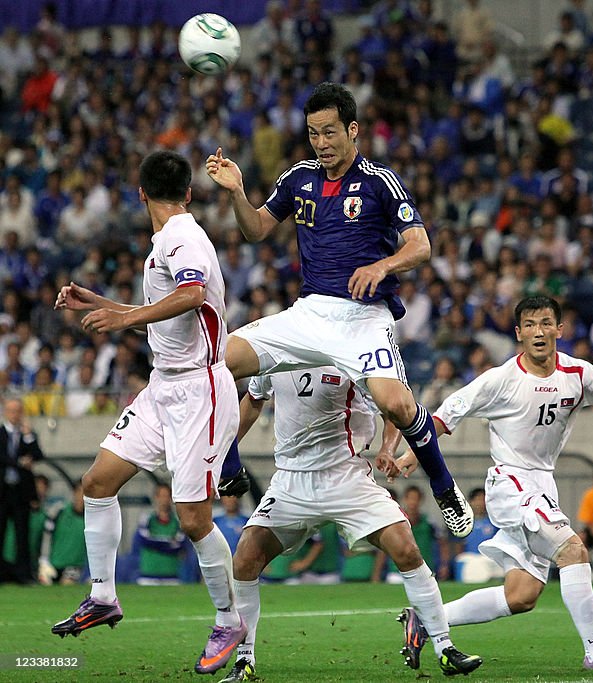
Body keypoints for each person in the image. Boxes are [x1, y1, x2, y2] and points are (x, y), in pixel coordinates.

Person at [205, 82, 472, 539]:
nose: (322, 143)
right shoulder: (297, 179)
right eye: (313, 134)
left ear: (353, 130)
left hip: (363, 317)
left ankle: (445, 486)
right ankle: (228, 465)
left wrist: (383, 264)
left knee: (396, 403)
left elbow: (421, 245)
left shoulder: (378, 181)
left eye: (330, 132)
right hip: (309, 313)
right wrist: (236, 192)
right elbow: (256, 230)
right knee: (216, 359)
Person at [51, 151, 245, 676]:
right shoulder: (167, 241)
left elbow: (192, 294)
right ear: (186, 190)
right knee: (97, 482)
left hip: (200, 392)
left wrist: (126, 317)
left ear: (141, 194)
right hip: (163, 387)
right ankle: (103, 595)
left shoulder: (184, 238)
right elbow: (165, 320)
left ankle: (229, 620)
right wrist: (99, 304)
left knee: (192, 517)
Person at [393, 295, 593, 671]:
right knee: (573, 551)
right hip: (510, 484)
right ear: (518, 333)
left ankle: (426, 621)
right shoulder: (500, 379)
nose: (538, 332)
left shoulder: (579, 373)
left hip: (543, 486)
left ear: (559, 329)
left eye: (545, 323)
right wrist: (412, 456)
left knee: (522, 595)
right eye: (529, 325)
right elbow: (445, 416)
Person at [217, 366, 480, 683]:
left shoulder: (350, 350)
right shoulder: (277, 347)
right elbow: (254, 398)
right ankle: (244, 660)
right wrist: (225, 454)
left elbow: (392, 405)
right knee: (245, 557)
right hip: (291, 480)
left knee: (406, 547)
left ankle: (444, 646)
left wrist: (386, 448)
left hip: (347, 477)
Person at [0, 397, 42, 584]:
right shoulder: (1, 434)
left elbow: (38, 455)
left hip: (20, 493)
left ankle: (23, 574)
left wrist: (28, 435)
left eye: (18, 411)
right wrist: (19, 462)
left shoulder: (27, 435)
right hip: (2, 491)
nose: (15, 415)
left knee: (22, 534)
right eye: (11, 410)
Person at [134, 483, 186, 585]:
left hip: (171, 575)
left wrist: (155, 543)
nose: (164, 500)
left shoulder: (178, 521)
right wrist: (169, 543)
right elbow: (145, 540)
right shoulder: (147, 519)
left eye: (167, 496)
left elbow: (179, 544)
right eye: (161, 496)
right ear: (155, 498)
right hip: (148, 575)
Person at [38, 480, 87, 586]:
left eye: (85, 493)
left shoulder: (92, 519)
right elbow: (47, 536)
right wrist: (44, 560)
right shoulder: (59, 511)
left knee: (67, 584)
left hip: (74, 566)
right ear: (74, 493)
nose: (81, 496)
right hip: (52, 563)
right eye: (79, 492)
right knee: (44, 585)